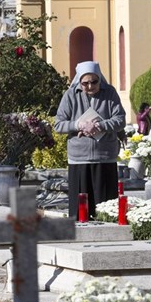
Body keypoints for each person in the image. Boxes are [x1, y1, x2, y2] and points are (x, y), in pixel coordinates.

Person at [54, 61, 126, 219]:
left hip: (104, 157)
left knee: (106, 209)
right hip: (79, 159)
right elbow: (58, 124)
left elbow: (120, 120)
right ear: (79, 81)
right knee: (80, 212)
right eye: (85, 83)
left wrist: (100, 125)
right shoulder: (71, 95)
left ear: (100, 78)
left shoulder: (110, 93)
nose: (90, 86)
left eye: (94, 82)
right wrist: (79, 125)